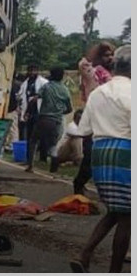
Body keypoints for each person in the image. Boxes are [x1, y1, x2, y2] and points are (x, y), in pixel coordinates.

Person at [69, 45, 130, 273]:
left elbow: (83, 130)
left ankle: (84, 254)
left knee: (116, 211)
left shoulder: (98, 93)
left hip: (100, 154)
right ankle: (114, 270)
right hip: (125, 153)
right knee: (127, 218)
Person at [73, 42, 116, 195]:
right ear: (99, 56)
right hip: (94, 118)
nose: (110, 58)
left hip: (109, 119)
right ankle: (79, 184)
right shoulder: (94, 72)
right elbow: (84, 64)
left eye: (112, 55)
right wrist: (98, 47)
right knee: (92, 155)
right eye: (106, 55)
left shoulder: (112, 74)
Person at [25, 66, 72, 172]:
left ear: (51, 75)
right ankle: (54, 161)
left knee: (33, 140)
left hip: (43, 118)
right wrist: (60, 112)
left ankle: (30, 165)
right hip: (57, 121)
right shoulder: (65, 90)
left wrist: (27, 112)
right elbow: (69, 109)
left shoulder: (46, 87)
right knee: (53, 143)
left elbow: (34, 99)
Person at [17, 65, 47, 141]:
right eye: (30, 71)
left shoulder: (44, 82)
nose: (32, 73)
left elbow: (46, 95)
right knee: (29, 131)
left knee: (39, 131)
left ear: (37, 71)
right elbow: (21, 96)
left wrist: (37, 97)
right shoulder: (25, 83)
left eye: (34, 71)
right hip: (29, 111)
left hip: (39, 110)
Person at [51, 109, 84, 173]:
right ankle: (79, 160)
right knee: (76, 139)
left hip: (71, 154)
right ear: (76, 118)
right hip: (61, 152)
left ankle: (76, 161)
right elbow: (80, 135)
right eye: (79, 118)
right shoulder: (71, 126)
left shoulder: (82, 127)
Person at [5, 73, 26, 150]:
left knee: (12, 129)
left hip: (11, 109)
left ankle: (11, 145)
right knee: (13, 128)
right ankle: (11, 145)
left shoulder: (11, 85)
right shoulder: (16, 85)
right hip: (13, 108)